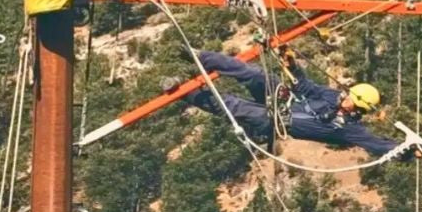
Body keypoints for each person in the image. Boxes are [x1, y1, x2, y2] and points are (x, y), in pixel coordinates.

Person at [172, 47, 408, 157]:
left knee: (233, 105)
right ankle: (202, 57)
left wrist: (409, 150)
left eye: (350, 99)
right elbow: (306, 87)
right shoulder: (333, 97)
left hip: (275, 121)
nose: (345, 97)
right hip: (283, 99)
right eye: (348, 94)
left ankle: (187, 93)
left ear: (358, 108)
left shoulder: (350, 129)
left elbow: (377, 145)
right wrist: (293, 67)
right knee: (256, 75)